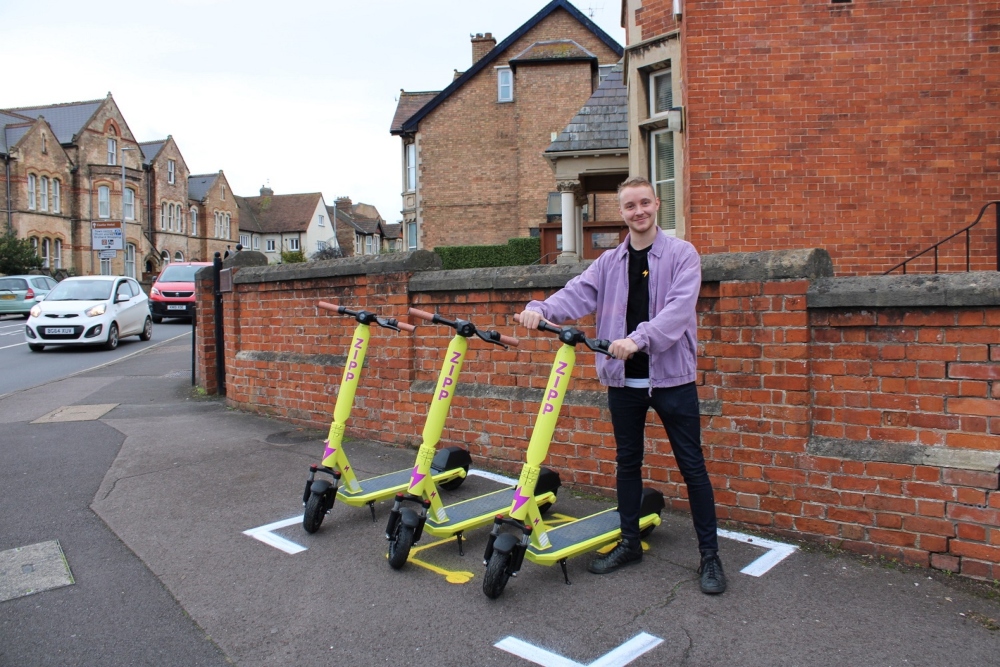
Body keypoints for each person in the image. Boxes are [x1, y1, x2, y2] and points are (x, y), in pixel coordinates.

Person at [516, 176, 726, 595]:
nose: (639, 212)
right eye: (630, 206)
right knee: (627, 463)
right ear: (622, 212)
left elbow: (678, 311)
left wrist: (637, 339)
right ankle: (630, 542)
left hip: (672, 380)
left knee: (693, 468)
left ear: (657, 205)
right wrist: (539, 308)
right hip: (623, 380)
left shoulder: (683, 255)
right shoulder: (610, 262)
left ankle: (711, 557)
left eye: (644, 203)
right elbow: (575, 294)